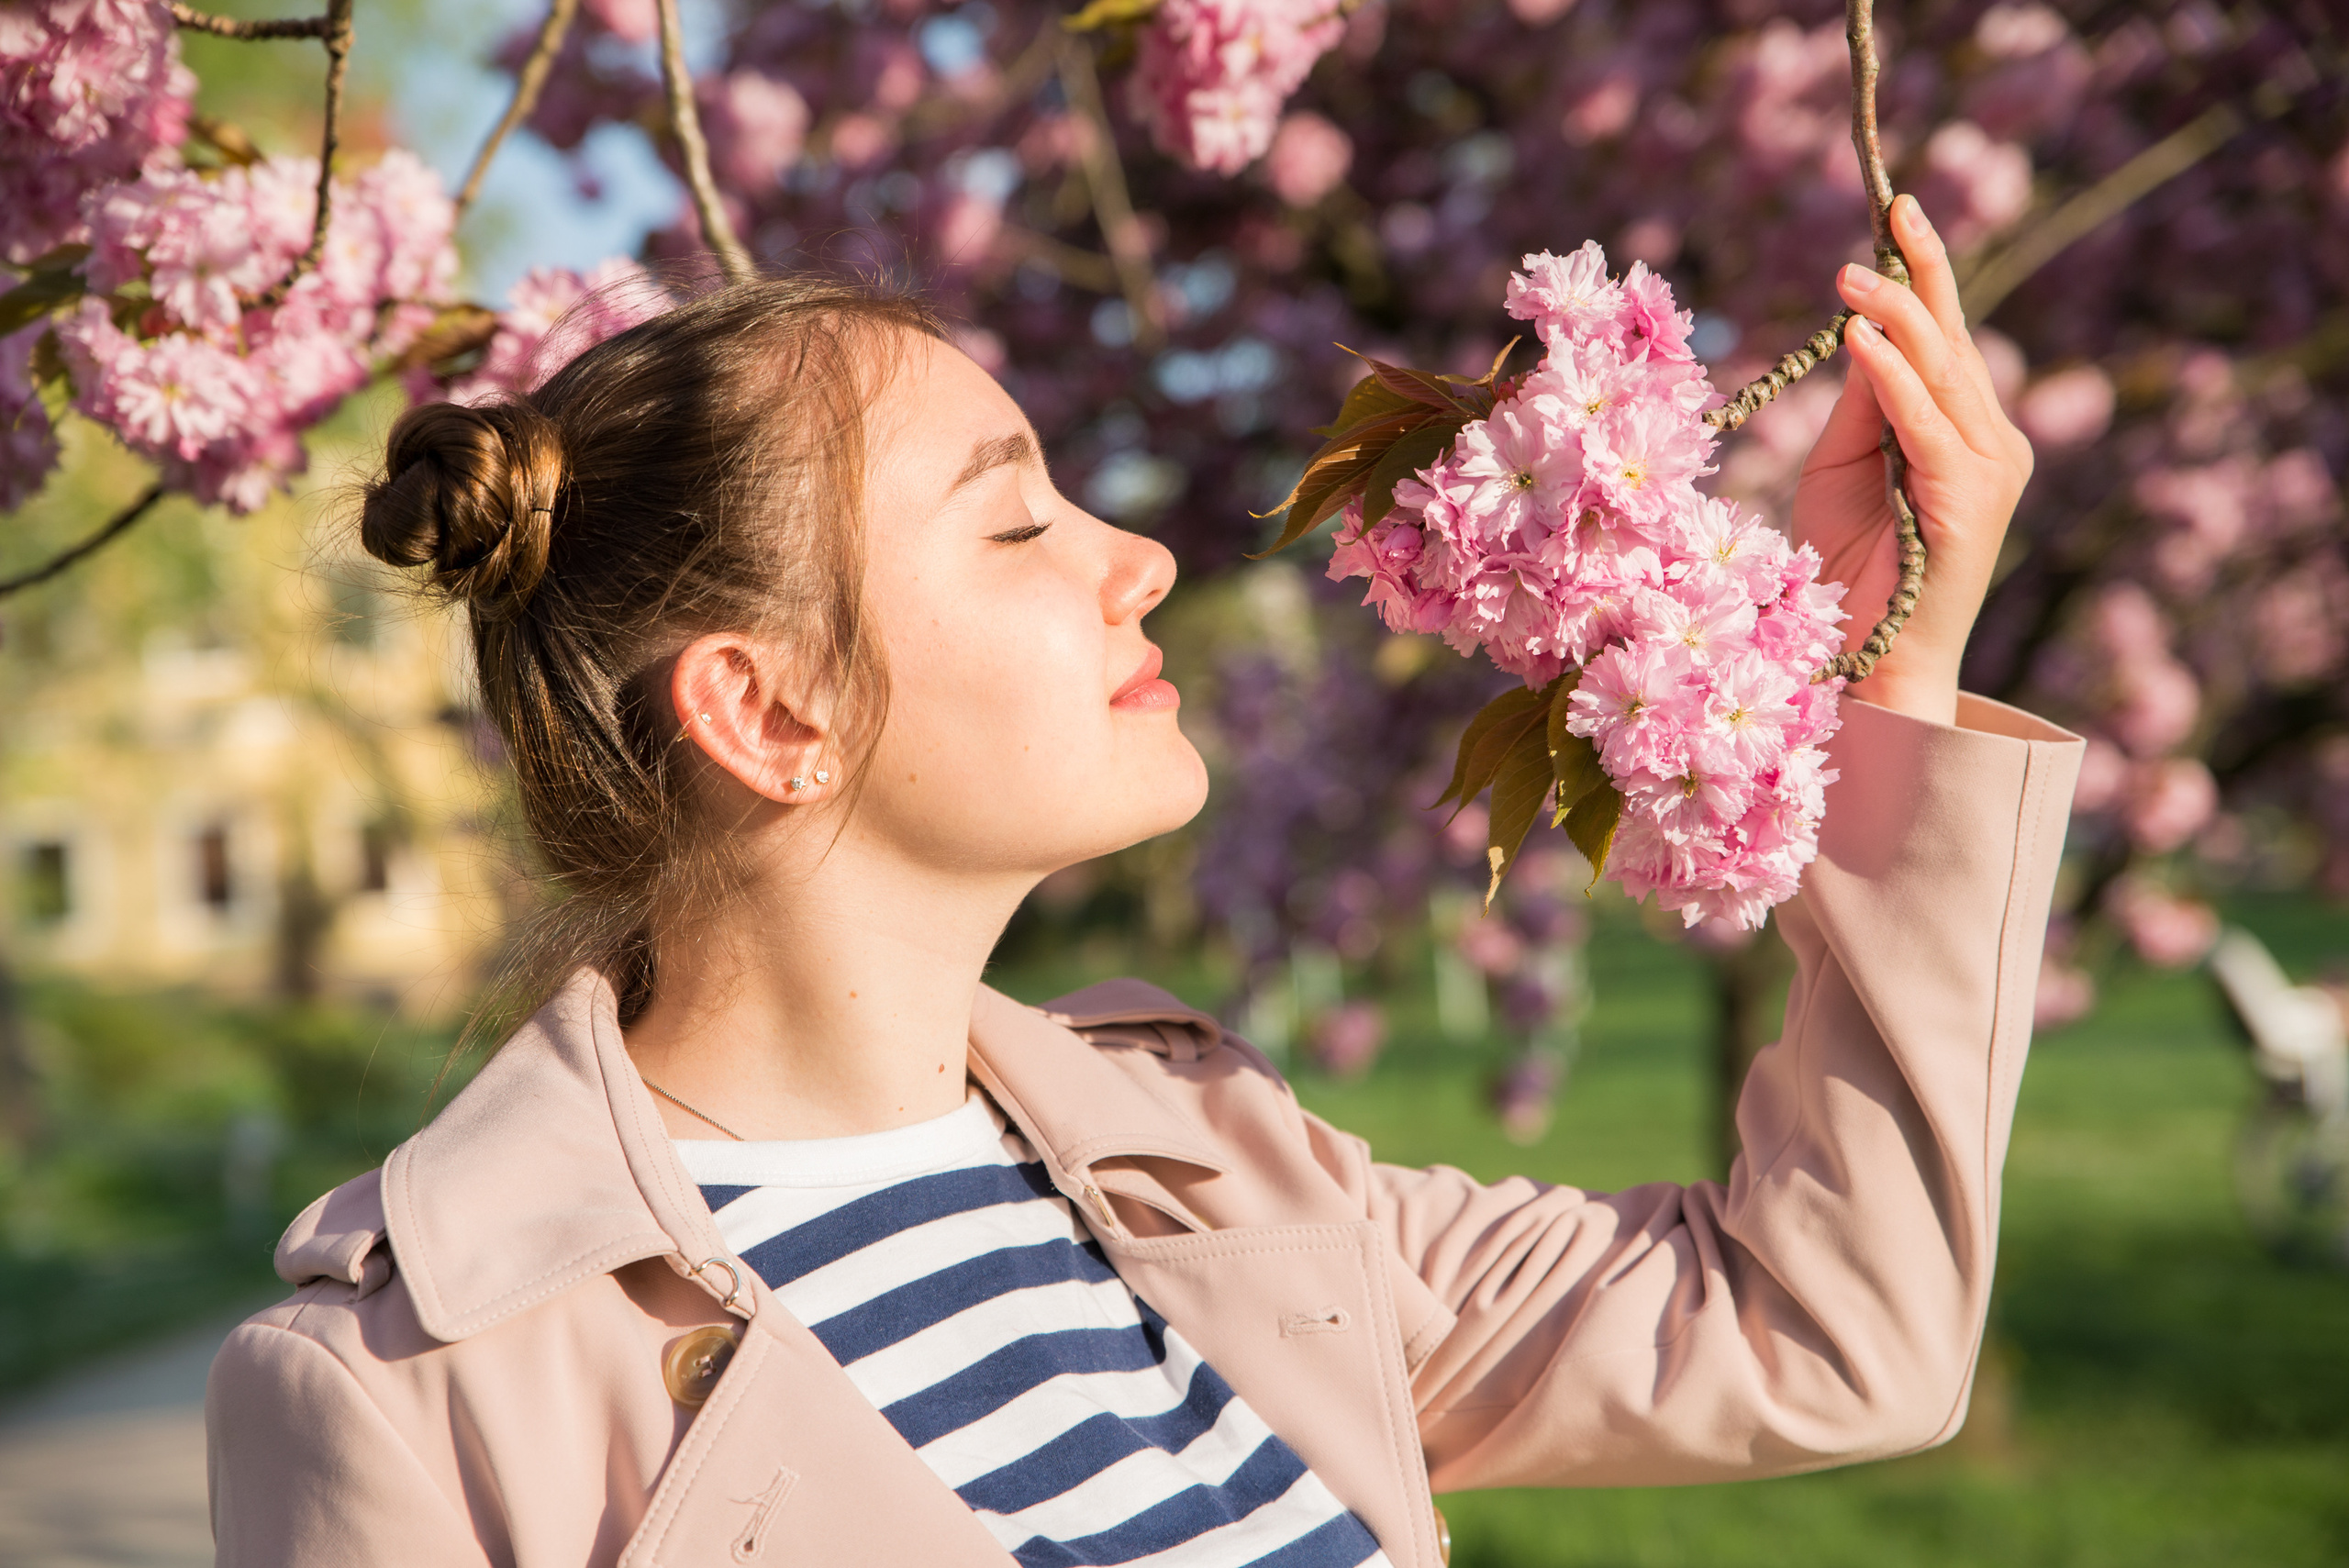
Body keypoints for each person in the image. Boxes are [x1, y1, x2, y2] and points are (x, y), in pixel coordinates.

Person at [206, 195, 2082, 1567]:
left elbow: (1826, 1333)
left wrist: (1881, 676)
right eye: (1014, 518)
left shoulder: (1216, 1166)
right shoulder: (417, 1388)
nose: (1140, 562)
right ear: (769, 713)